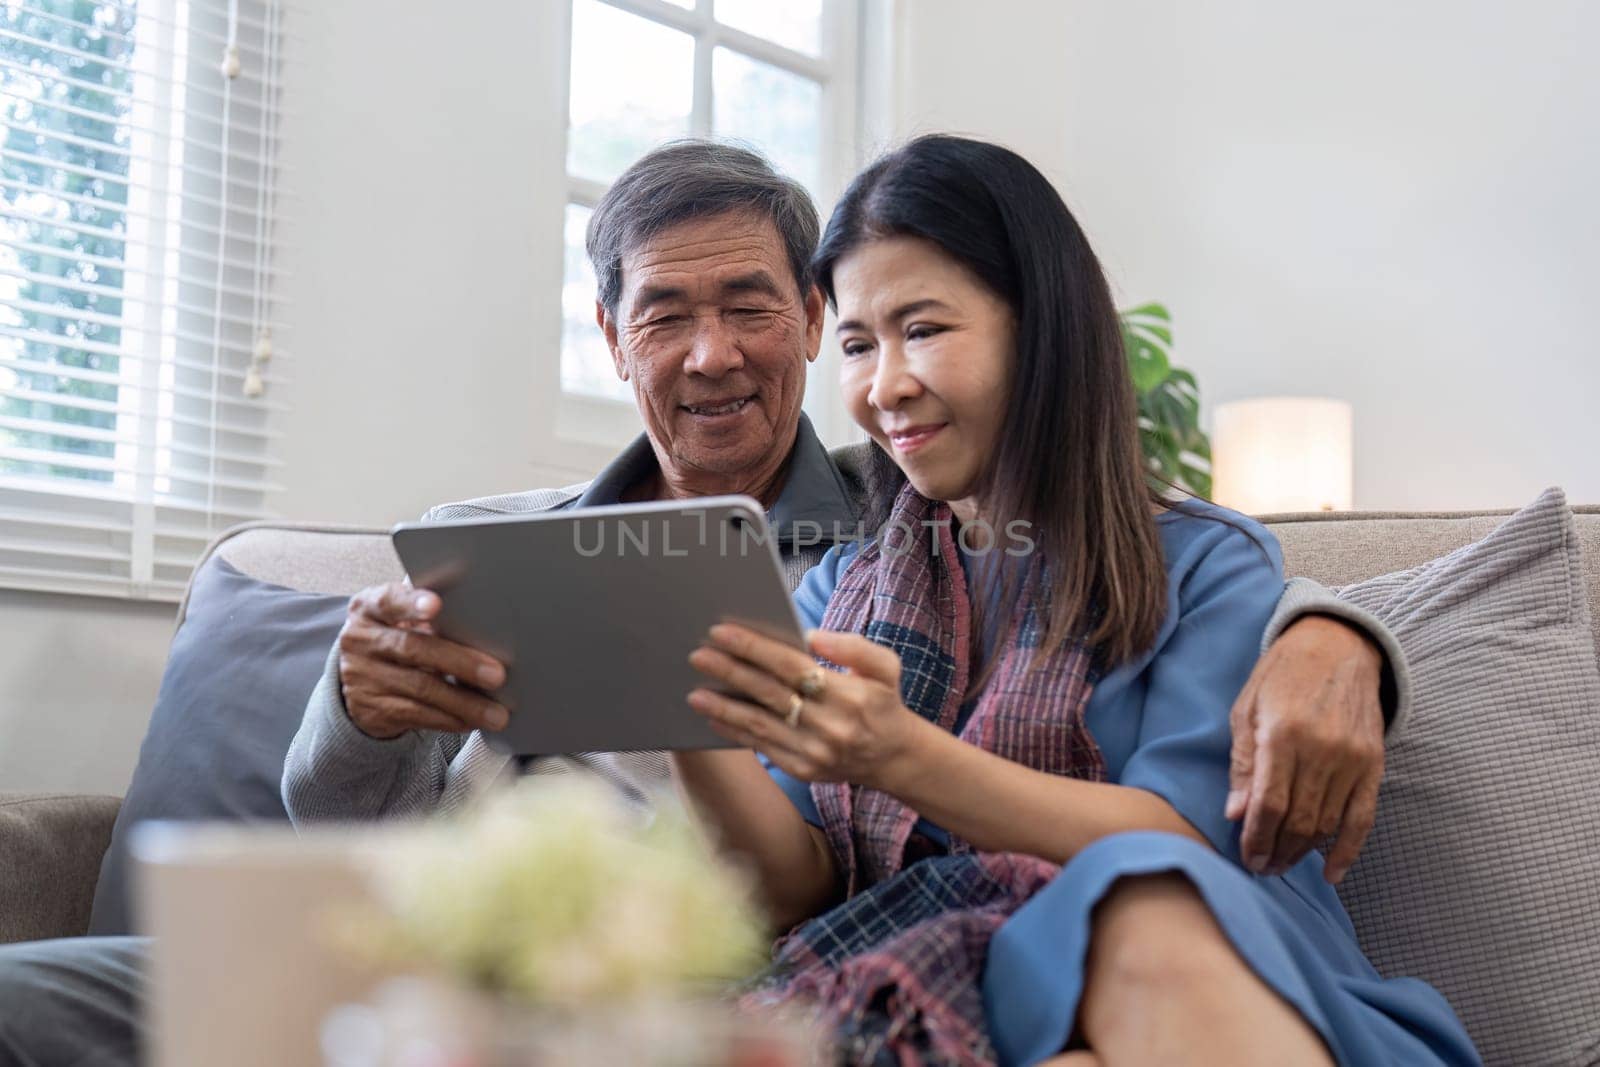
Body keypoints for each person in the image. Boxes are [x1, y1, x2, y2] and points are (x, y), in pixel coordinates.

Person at [0, 141, 1402, 1066]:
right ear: (611, 334)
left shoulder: (870, 531)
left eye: (762, 308)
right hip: (424, 947)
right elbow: (790, 855)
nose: (716, 352)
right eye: (664, 313)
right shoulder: (538, 550)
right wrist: (380, 704)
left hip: (754, 966)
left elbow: (1188, 769)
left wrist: (1347, 634)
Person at [669, 135, 1479, 1066]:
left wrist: (901, 756)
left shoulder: (1200, 562)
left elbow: (1182, 841)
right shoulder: (834, 588)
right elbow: (794, 887)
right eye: (857, 344)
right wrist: (674, 708)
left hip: (1209, 966)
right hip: (950, 984)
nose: (886, 382)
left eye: (924, 329)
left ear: (1039, 328)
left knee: (1136, 896)